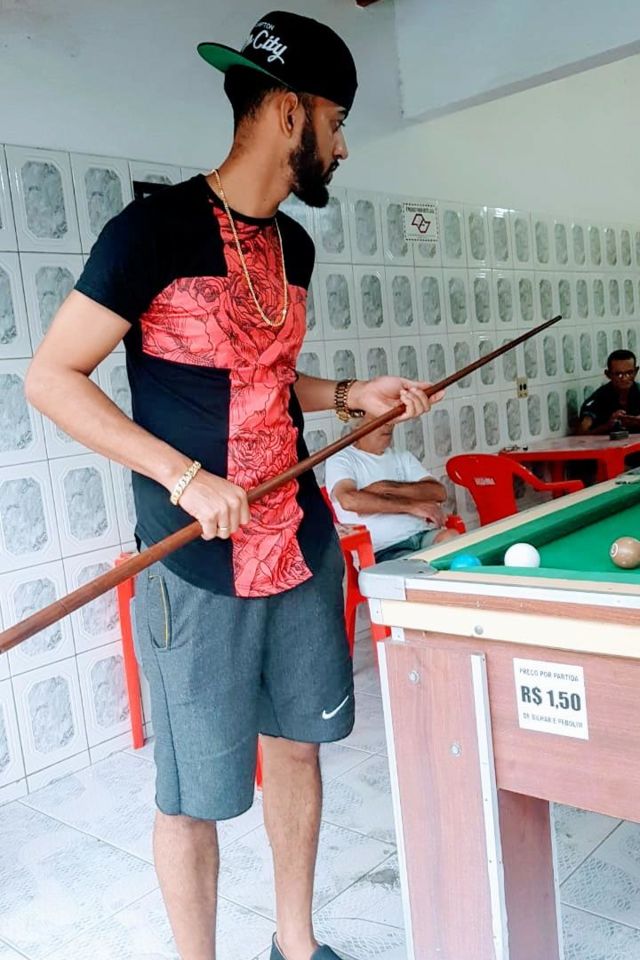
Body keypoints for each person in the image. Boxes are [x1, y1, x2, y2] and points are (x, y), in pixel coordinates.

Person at [24, 12, 438, 960]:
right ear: (290, 113)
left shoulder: (296, 248)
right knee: (194, 793)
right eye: (336, 121)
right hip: (198, 566)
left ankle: (296, 944)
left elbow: (262, 375)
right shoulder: (150, 231)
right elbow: (51, 377)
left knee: (298, 745)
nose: (342, 144)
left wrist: (349, 394)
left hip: (298, 542)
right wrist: (181, 475)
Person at [325, 416, 458, 563]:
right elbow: (350, 501)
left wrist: (386, 487)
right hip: (384, 549)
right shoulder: (341, 459)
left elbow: (438, 492)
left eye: (390, 418)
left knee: (452, 540)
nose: (388, 424)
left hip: (423, 535)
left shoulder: (402, 456)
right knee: (416, 567)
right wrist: (411, 506)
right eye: (378, 418)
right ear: (357, 424)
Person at [576, 350, 640, 435]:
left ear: (636, 372)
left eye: (629, 373)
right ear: (608, 374)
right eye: (618, 374)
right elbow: (581, 433)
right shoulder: (598, 399)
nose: (624, 378)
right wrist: (608, 426)